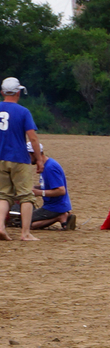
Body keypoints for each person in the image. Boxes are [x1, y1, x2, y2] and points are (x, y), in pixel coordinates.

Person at [0, 77, 44, 242]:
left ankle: (0, 226)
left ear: (2, 92)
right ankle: (25, 233)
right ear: (18, 92)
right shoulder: (23, 112)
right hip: (19, 158)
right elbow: (32, 138)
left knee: (3, 195)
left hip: (0, 157)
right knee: (26, 196)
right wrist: (39, 160)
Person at [29, 147, 75, 230]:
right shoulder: (45, 165)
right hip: (52, 205)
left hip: (55, 206)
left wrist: (39, 193)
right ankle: (61, 216)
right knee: (26, 218)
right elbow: (49, 186)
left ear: (35, 154)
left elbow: (61, 190)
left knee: (26, 223)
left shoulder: (50, 167)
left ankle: (60, 216)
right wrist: (33, 188)